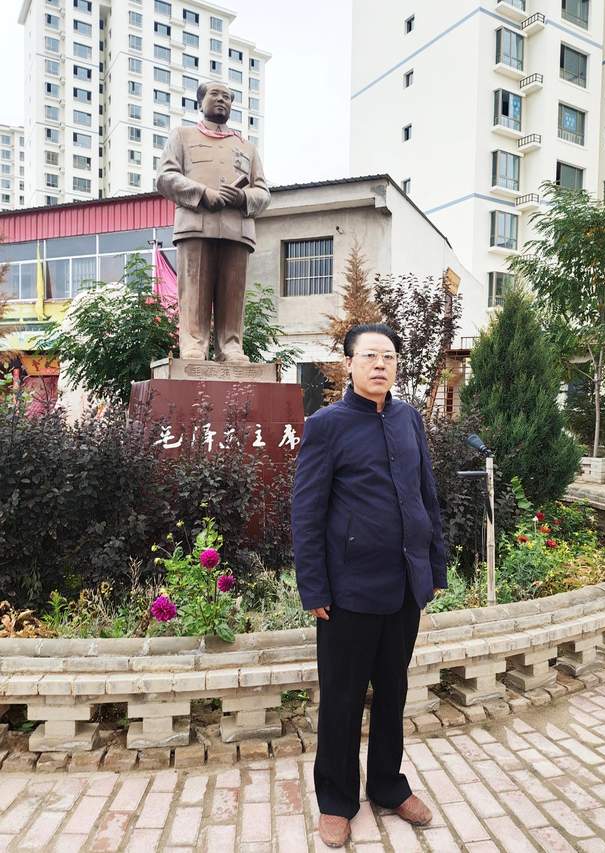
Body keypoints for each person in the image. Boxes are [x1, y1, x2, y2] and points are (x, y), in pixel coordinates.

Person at [291, 323, 447, 848]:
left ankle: (387, 785)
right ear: (350, 364)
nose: (381, 364)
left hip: (403, 586)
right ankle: (337, 801)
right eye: (370, 356)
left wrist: (435, 567)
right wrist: (314, 588)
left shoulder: (408, 419)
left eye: (389, 356)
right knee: (342, 698)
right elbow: (307, 511)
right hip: (349, 591)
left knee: (393, 692)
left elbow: (426, 496)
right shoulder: (327, 425)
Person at [156, 81, 270, 362]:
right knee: (194, 289)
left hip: (237, 230)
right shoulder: (182, 136)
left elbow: (263, 193)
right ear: (200, 102)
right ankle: (194, 344)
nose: (222, 100)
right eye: (215, 95)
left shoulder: (247, 147)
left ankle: (231, 345)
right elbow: (165, 178)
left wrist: (242, 197)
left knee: (233, 292)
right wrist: (203, 193)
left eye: (227, 97)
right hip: (195, 225)